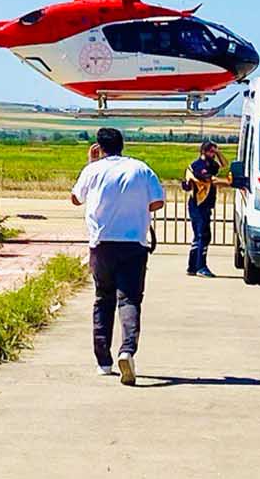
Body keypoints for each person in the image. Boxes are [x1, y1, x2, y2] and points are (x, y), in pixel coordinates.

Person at [70, 127, 165, 385]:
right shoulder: (141, 169)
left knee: (103, 299)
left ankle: (103, 361)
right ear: (123, 145)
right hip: (134, 243)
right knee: (130, 300)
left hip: (101, 244)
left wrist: (91, 164)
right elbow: (157, 202)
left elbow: (75, 199)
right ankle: (127, 350)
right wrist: (135, 209)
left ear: (99, 148)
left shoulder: (93, 170)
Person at [182, 141, 229, 278]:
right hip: (198, 205)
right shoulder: (198, 166)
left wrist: (219, 153)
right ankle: (200, 266)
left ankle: (192, 266)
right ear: (204, 151)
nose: (213, 155)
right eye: (211, 152)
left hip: (206, 204)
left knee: (199, 235)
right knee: (203, 235)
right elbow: (211, 180)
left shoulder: (210, 164)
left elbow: (224, 164)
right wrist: (229, 183)